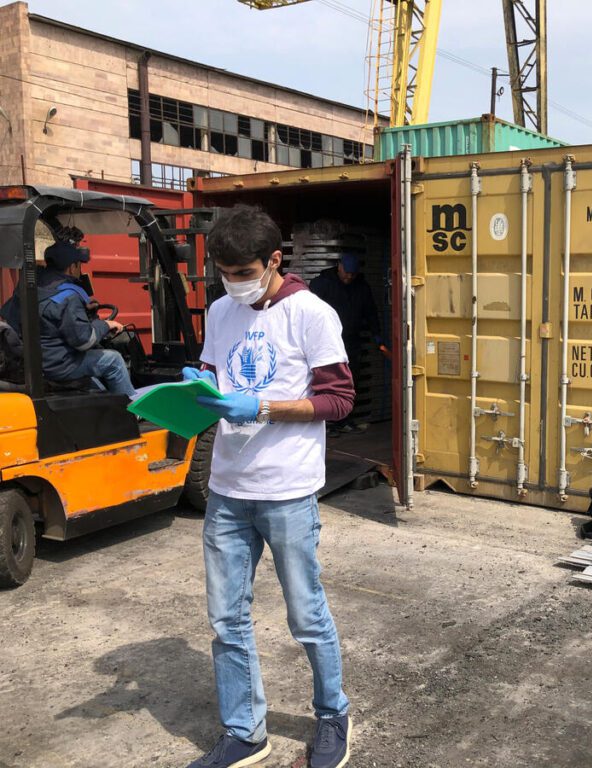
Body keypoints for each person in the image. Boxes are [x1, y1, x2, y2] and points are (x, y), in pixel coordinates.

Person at [184, 205, 356, 768]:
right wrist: (200, 385)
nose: (232, 282)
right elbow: (217, 375)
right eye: (223, 272)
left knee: (306, 614)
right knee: (225, 618)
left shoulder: (311, 313)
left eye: (243, 272)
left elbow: (338, 400)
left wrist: (261, 406)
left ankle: (333, 714)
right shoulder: (219, 310)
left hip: (287, 489)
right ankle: (245, 731)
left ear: (274, 260)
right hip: (228, 489)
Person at [0, 241, 132, 396]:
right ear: (72, 267)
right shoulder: (68, 296)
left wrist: (84, 313)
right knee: (114, 360)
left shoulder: (30, 288)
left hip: (35, 361)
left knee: (96, 370)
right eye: (79, 265)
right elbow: (84, 341)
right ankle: (132, 407)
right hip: (58, 365)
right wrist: (105, 325)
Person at [309, 252, 381, 433]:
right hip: (325, 342)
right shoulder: (321, 284)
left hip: (351, 342)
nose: (349, 277)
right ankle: (325, 423)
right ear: (339, 266)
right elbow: (309, 311)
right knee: (326, 380)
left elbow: (371, 312)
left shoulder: (361, 287)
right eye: (346, 272)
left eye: (352, 274)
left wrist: (377, 334)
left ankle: (344, 420)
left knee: (350, 380)